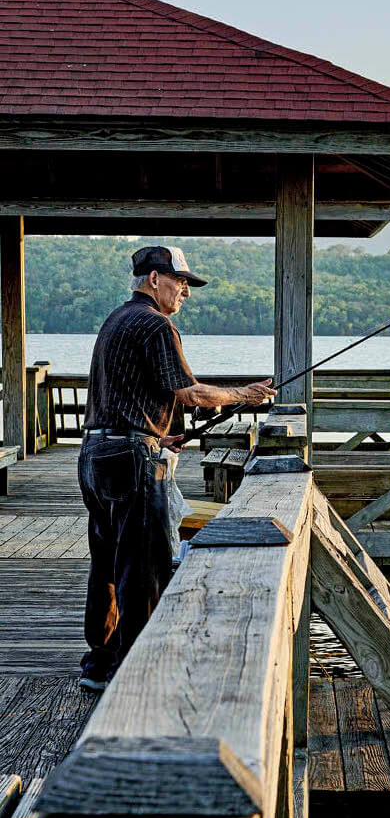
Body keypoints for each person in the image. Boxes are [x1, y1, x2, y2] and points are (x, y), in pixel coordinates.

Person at [78, 245, 276, 691]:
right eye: (179, 281)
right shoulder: (156, 325)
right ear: (153, 280)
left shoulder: (115, 320)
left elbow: (123, 397)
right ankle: (135, 670)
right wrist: (244, 395)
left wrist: (153, 433)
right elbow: (190, 394)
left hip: (95, 454)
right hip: (129, 460)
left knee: (106, 559)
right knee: (141, 565)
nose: (185, 290)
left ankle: (99, 662)